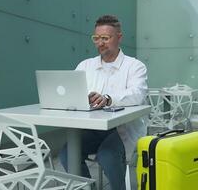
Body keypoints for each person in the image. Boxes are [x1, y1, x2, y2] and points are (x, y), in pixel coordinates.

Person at [59, 14, 148, 189]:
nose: (100, 43)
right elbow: (73, 93)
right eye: (96, 38)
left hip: (123, 129)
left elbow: (138, 94)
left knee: (107, 155)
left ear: (119, 37)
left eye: (106, 38)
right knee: (67, 154)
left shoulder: (135, 66)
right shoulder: (85, 65)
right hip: (93, 129)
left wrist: (108, 99)